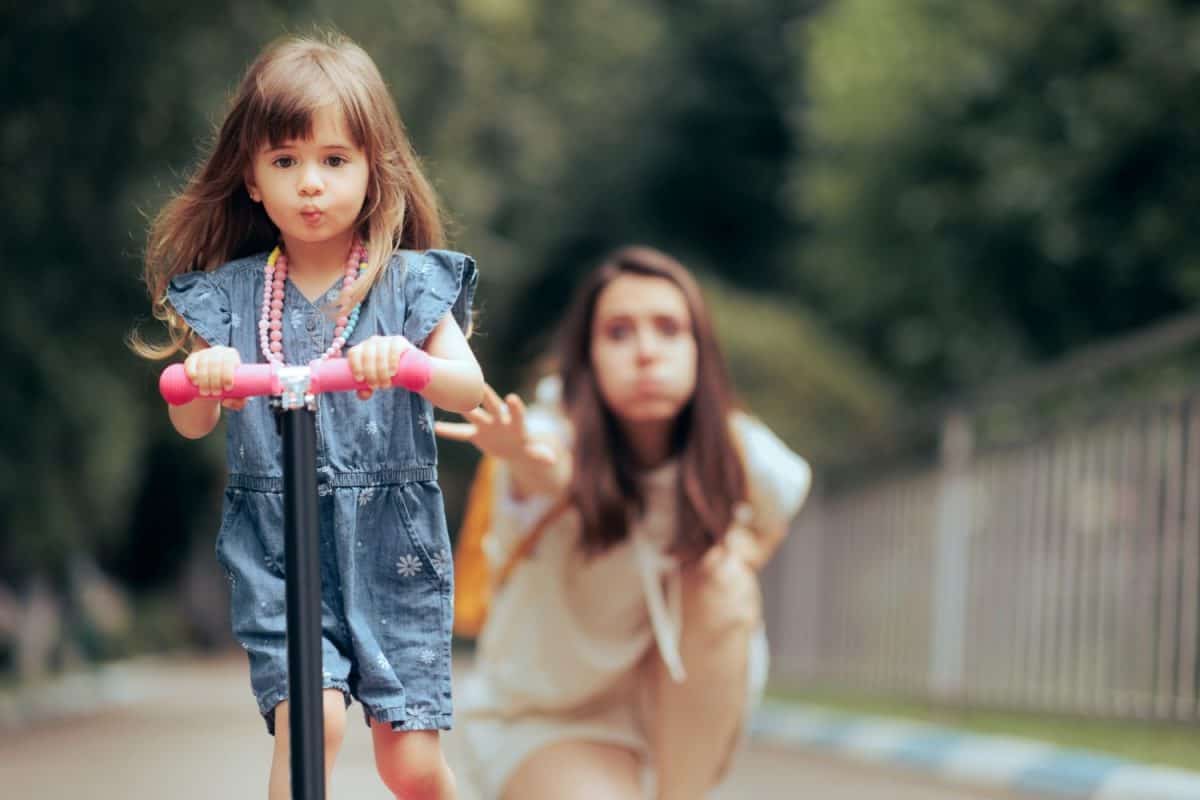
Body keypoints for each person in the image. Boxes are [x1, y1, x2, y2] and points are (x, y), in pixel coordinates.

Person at [132, 32, 483, 800]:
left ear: (372, 169)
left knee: (411, 767)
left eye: (333, 160)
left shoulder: (408, 285)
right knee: (311, 725)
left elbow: (470, 388)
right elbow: (190, 422)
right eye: (285, 162)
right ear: (252, 179)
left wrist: (413, 363)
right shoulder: (227, 298)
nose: (310, 184)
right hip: (279, 546)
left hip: (393, 539)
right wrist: (205, 379)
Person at [435, 245, 811, 799]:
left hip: (670, 715)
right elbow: (550, 472)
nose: (646, 352)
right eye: (618, 333)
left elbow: (781, 509)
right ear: (586, 357)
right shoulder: (552, 433)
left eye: (668, 329)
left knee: (724, 578)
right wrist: (517, 455)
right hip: (548, 721)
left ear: (698, 350)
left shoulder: (735, 449)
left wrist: (731, 558)